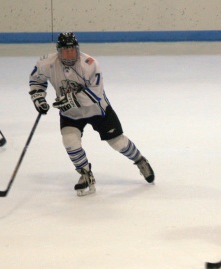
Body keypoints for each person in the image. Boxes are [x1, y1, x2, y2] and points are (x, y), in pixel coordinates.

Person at [28, 32, 155, 196]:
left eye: (72, 50)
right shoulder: (47, 63)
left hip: (97, 110)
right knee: (69, 141)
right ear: (59, 51)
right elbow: (36, 81)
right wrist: (39, 98)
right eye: (65, 51)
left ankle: (139, 160)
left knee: (117, 142)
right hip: (71, 114)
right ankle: (85, 174)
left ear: (77, 49)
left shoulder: (90, 64)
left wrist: (69, 100)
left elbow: (95, 94)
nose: (69, 54)